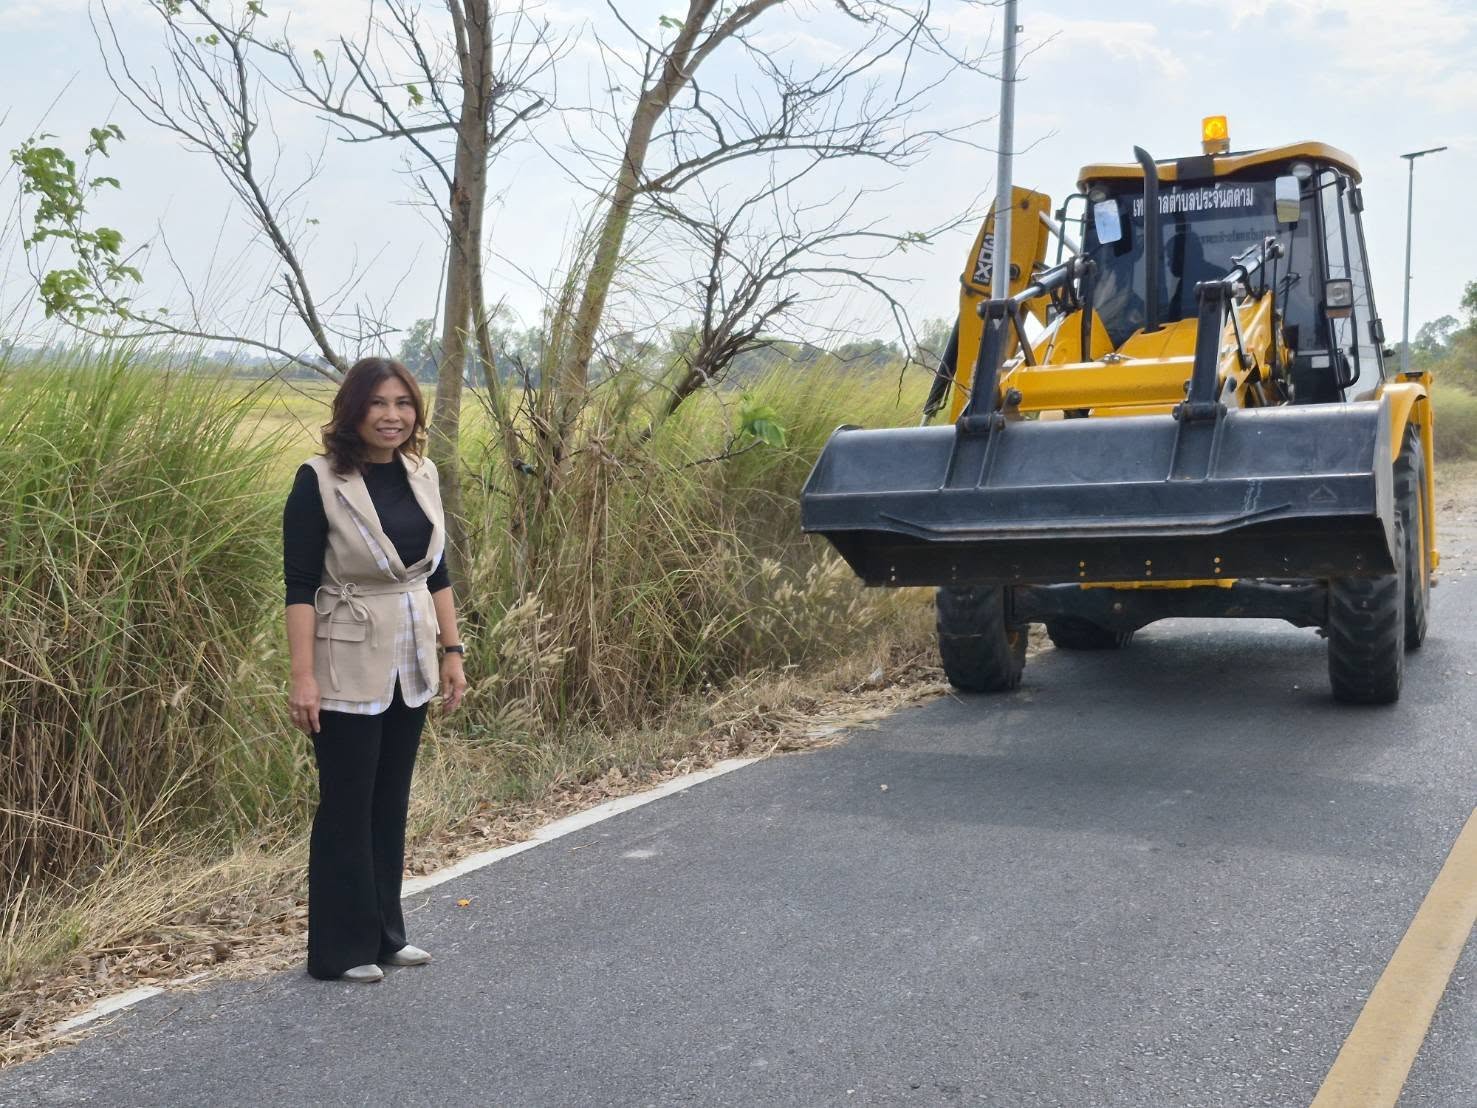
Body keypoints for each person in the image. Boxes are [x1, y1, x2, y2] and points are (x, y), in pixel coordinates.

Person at [283, 356, 468, 983]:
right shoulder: (318, 480)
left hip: (410, 655)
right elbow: (299, 585)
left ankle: (387, 936)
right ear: (354, 410)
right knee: (347, 801)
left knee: (390, 799)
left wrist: (452, 651)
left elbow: (437, 571)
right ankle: (340, 950)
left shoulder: (422, 473)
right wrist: (303, 676)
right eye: (379, 403)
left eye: (404, 403)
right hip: (346, 655)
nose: (393, 416)